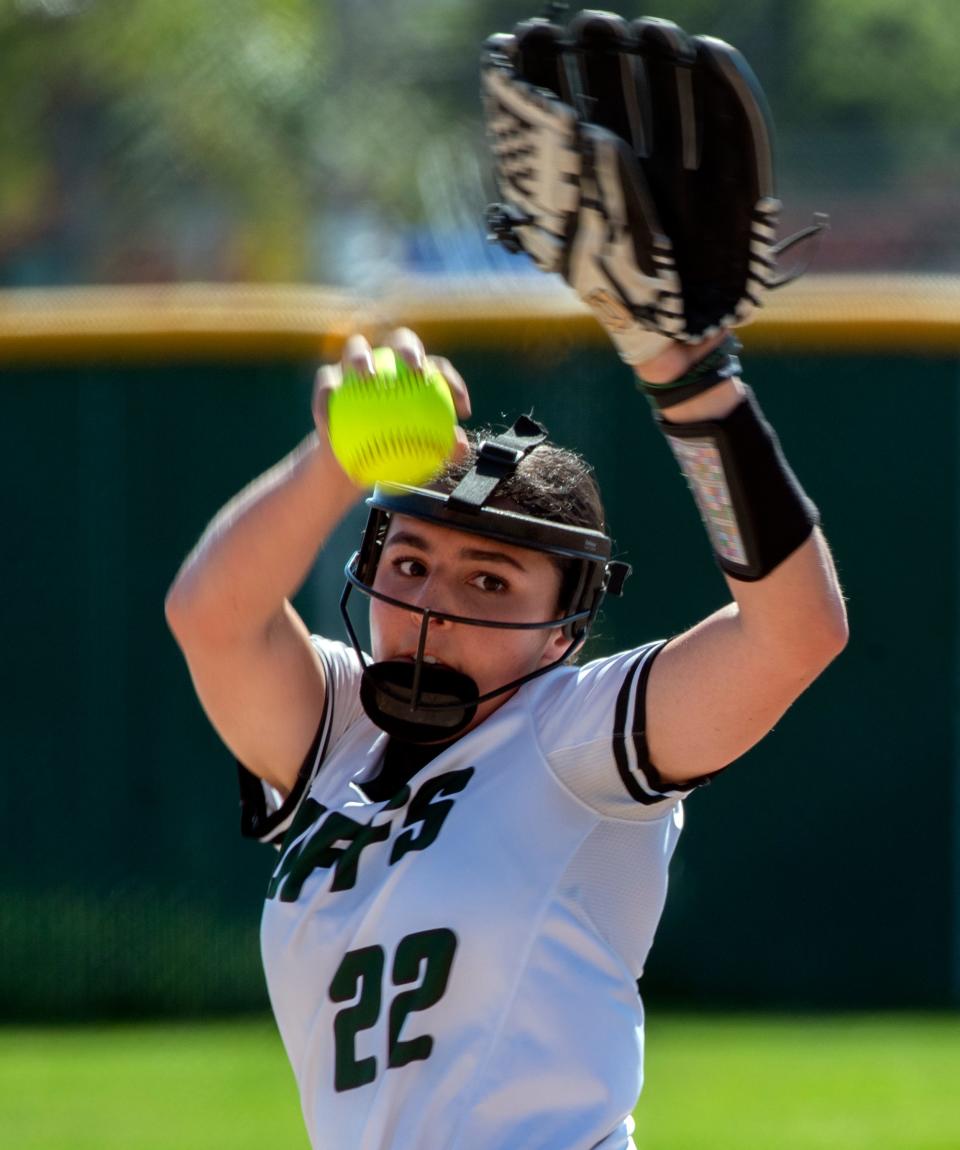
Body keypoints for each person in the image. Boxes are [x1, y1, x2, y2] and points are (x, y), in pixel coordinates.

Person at [166, 318, 847, 1148]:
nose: (430, 608)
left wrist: (696, 385)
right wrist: (337, 462)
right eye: (410, 564)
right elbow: (210, 615)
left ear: (563, 629)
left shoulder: (571, 737)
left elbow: (795, 633)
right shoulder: (343, 732)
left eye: (490, 579)